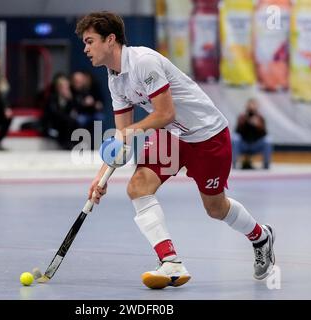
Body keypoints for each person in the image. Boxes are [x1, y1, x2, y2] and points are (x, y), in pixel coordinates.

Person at [75, 11, 276, 289]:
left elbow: (165, 113)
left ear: (110, 40)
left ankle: (260, 236)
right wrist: (101, 176)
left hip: (208, 135)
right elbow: (123, 136)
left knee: (215, 208)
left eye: (89, 41)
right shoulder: (114, 79)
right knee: (138, 186)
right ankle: (170, 261)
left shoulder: (143, 62)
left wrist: (130, 133)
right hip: (173, 136)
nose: (85, 49)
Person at [232, 98, 272, 170]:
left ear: (257, 107)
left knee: (268, 140)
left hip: (256, 145)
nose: (252, 107)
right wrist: (245, 122)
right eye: (250, 105)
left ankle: (266, 164)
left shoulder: (260, 118)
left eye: (254, 105)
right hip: (244, 145)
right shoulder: (242, 117)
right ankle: (233, 164)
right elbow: (237, 132)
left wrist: (258, 126)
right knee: (235, 139)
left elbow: (265, 134)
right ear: (246, 106)